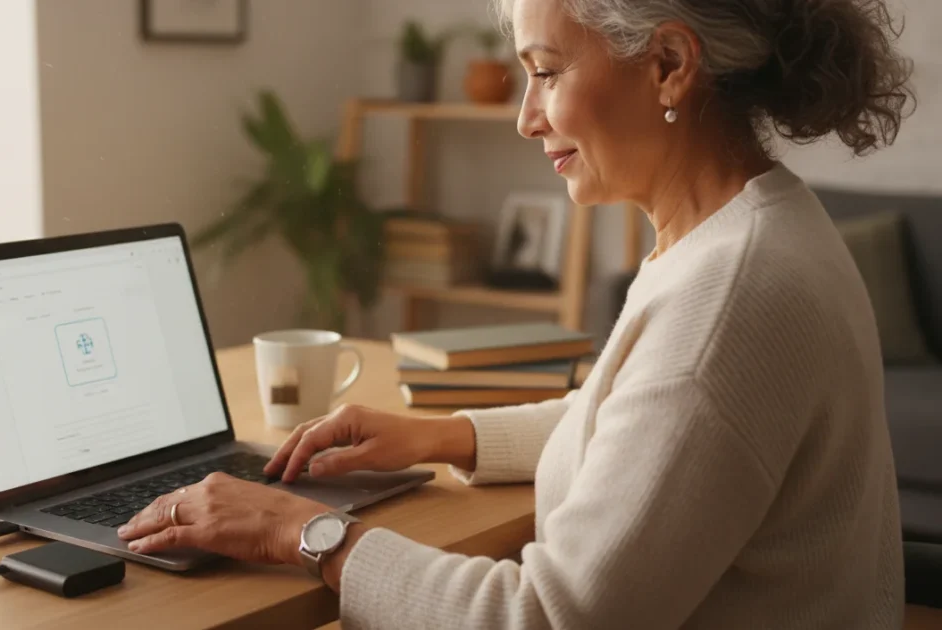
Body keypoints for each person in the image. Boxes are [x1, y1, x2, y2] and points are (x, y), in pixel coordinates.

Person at [117, 0, 915, 626]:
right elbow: (642, 415)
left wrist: (301, 531)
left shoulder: (729, 297)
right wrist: (443, 435)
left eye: (548, 71)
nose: (527, 116)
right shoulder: (752, 227)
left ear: (669, 65)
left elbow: (546, 618)